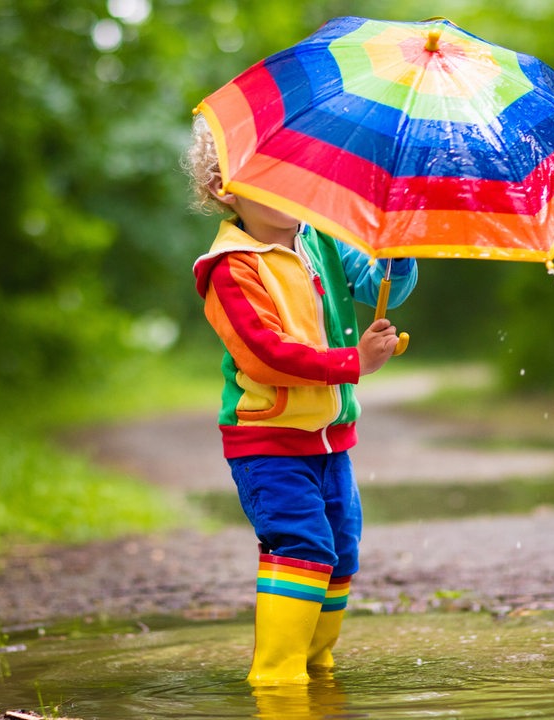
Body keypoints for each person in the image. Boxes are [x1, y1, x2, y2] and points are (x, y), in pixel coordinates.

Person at [185, 115, 417, 685]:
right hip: (267, 442)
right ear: (224, 189)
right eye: (264, 176)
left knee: (340, 549)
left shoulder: (320, 240)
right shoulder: (232, 268)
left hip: (329, 440)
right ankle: (277, 675)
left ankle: (318, 664)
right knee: (301, 546)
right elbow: (266, 354)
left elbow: (377, 283)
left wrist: (398, 253)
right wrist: (353, 363)